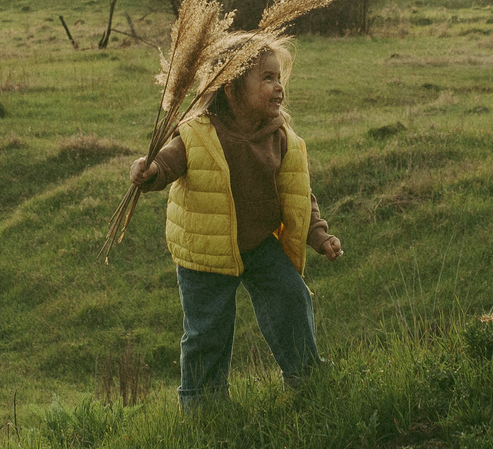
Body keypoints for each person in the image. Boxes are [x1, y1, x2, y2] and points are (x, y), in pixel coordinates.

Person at [131, 41, 343, 403]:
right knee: (207, 329)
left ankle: (307, 378)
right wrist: (149, 171)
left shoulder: (278, 136)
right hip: (205, 249)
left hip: (259, 244)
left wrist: (318, 235)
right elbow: (168, 163)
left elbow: (296, 193)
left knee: (290, 297)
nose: (279, 86)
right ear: (231, 89)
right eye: (267, 78)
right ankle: (204, 405)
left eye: (279, 77)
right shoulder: (196, 133)